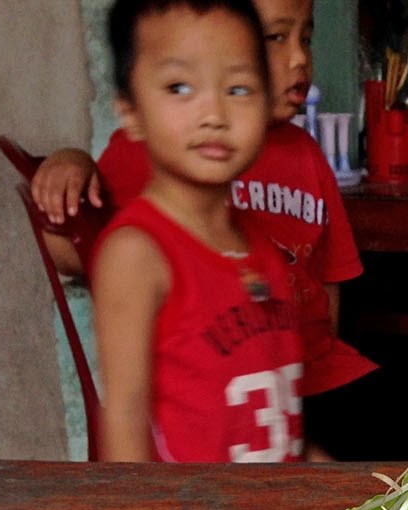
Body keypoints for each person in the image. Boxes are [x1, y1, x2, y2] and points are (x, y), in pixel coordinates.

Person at [31, 0, 377, 420]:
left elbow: (328, 279)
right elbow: (70, 248)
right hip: (226, 398)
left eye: (306, 38)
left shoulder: (269, 222)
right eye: (276, 37)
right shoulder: (150, 171)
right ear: (132, 110)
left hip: (306, 380)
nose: (213, 115)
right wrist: (73, 161)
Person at [90, 0, 306, 461]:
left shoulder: (262, 248)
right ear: (130, 111)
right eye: (180, 87)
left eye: (239, 88)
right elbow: (124, 421)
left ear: (268, 101)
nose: (214, 114)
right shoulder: (137, 254)